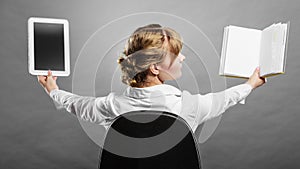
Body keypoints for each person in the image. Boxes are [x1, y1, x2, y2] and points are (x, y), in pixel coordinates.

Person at [37, 24, 265, 132]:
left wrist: (54, 91)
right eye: (176, 54)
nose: (183, 57)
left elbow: (76, 105)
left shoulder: (110, 106)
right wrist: (250, 84)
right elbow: (225, 99)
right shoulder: (190, 107)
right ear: (155, 67)